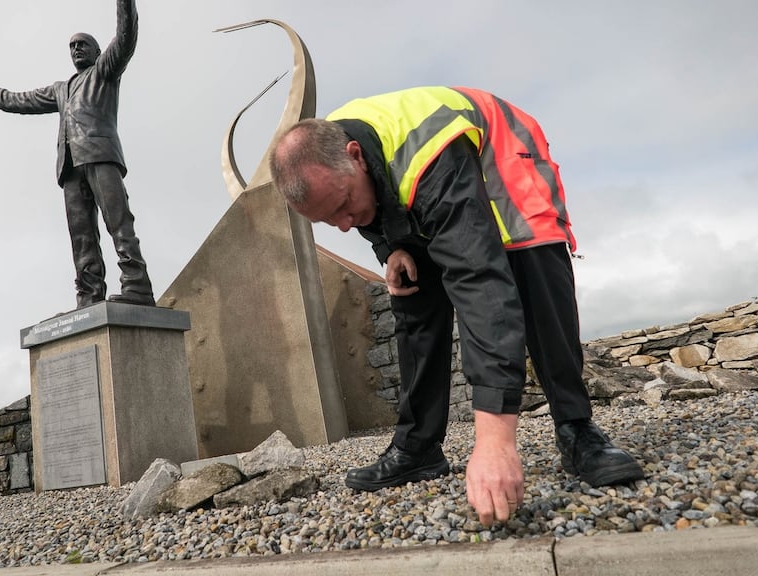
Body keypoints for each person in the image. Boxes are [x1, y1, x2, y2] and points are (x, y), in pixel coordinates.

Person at [269, 86, 644, 525]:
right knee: (410, 289)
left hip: (503, 164)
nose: (344, 225)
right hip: (424, 188)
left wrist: (494, 442)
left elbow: (478, 282)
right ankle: (418, 447)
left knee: (536, 284)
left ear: (355, 156)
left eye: (343, 206)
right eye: (328, 221)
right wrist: (391, 249)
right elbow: (375, 203)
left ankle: (578, 430)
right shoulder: (334, 159)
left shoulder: (424, 154)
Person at [0, 0, 154, 308]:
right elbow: (18, 100)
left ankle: (137, 285)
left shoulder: (105, 72)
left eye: (83, 45)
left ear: (97, 52)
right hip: (70, 169)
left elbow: (126, 36)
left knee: (118, 223)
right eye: (72, 46)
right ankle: (89, 295)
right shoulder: (61, 89)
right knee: (82, 237)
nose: (76, 49)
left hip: (99, 155)